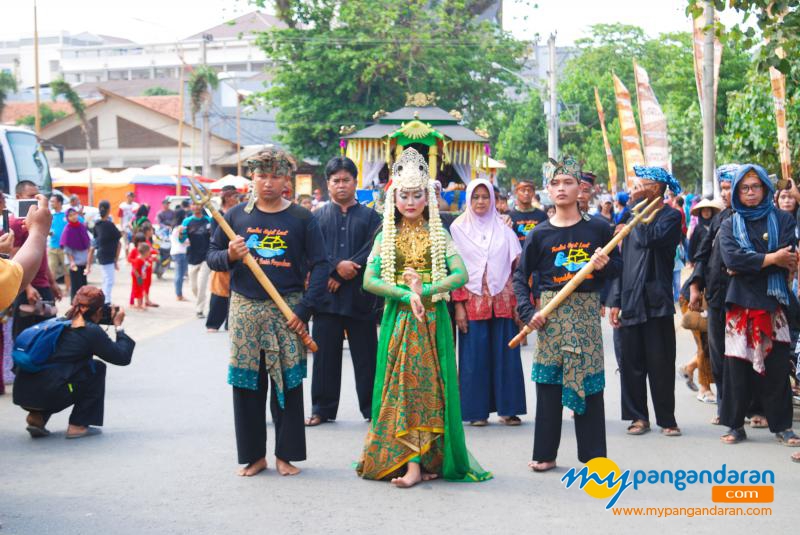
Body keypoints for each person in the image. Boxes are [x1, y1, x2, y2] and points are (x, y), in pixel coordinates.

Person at [355, 147, 491, 487]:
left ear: (427, 198)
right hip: (399, 322)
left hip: (433, 322)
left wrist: (426, 290)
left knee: (432, 389)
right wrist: (405, 294)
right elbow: (369, 281)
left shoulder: (440, 234)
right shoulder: (386, 236)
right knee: (402, 390)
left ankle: (428, 459)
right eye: (405, 195)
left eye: (418, 195)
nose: (411, 201)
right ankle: (410, 463)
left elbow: (460, 275)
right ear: (394, 198)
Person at [207, 147, 329, 478]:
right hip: (245, 310)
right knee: (247, 382)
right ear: (252, 178)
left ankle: (286, 456)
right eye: (262, 176)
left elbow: (321, 265)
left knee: (287, 383)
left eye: (275, 176)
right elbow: (212, 255)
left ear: (286, 180)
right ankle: (253, 456)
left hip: (287, 309)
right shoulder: (235, 217)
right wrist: (230, 254)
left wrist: (305, 309)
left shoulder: (303, 218)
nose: (268, 183)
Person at [513, 157, 621, 472]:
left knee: (590, 382)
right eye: (556, 183)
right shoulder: (539, 234)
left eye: (568, 183)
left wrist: (605, 265)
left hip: (586, 314)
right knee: (547, 383)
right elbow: (521, 278)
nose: (561, 189)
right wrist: (527, 311)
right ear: (548, 190)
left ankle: (593, 455)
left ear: (580, 188)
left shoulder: (599, 229)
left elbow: (618, 270)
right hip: (550, 314)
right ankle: (545, 453)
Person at [716, 164, 800, 449]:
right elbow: (732, 260)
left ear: (765, 188)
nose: (750, 193)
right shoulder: (729, 223)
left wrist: (756, 261)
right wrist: (771, 259)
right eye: (745, 188)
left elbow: (788, 256)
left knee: (777, 367)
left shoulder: (783, 220)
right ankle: (735, 425)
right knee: (736, 367)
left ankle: (783, 427)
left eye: (756, 187)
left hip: (774, 302)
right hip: (740, 303)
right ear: (738, 192)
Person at [608, 165, 683, 437]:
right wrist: (615, 300)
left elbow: (651, 239)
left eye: (641, 185)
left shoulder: (670, 217)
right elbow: (619, 263)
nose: (635, 190)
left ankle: (667, 419)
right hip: (629, 298)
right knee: (631, 362)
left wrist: (631, 222)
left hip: (656, 301)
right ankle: (638, 417)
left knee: (661, 362)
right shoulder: (630, 217)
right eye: (635, 185)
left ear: (656, 190)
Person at [306, 157, 382, 426]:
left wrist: (348, 270)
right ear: (328, 184)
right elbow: (313, 252)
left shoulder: (372, 217)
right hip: (326, 299)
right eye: (335, 180)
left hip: (361, 298)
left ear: (355, 182)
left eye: (346, 180)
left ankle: (373, 409)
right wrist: (336, 267)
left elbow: (375, 249)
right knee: (325, 356)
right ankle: (321, 409)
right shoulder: (315, 218)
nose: (341, 185)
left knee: (367, 358)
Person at [451, 178, 525, 427]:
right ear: (468, 200)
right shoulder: (457, 229)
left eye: (485, 197)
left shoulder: (504, 229)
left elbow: (517, 267)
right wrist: (458, 305)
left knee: (507, 355)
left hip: (503, 299)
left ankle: (509, 409)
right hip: (472, 301)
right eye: (475, 197)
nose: (480, 201)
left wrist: (519, 303)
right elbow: (454, 269)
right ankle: (476, 411)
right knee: (474, 357)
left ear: (493, 200)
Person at [13, 286, 134, 439]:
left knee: (59, 370)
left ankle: (38, 417)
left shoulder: (56, 323)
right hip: (50, 394)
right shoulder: (90, 331)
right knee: (96, 368)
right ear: (98, 312)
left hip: (23, 393)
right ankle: (78, 425)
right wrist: (119, 326)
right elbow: (122, 357)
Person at [688, 165, 739, 426]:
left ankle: (754, 409)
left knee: (746, 356)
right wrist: (695, 287)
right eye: (725, 188)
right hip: (718, 297)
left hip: (745, 298)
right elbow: (702, 254)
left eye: (733, 187)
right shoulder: (719, 219)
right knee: (718, 354)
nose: (728, 193)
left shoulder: (758, 218)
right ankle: (725, 409)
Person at [677, 198, 721, 405]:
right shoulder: (704, 234)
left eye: (708, 210)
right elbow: (695, 257)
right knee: (704, 345)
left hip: (710, 294)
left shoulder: (720, 228)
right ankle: (704, 388)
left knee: (711, 345)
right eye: (702, 210)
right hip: (695, 295)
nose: (705, 213)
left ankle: (689, 368)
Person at [11, 181, 63, 339]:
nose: (35, 201)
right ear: (18, 197)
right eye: (31, 196)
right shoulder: (15, 223)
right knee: (24, 338)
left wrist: (52, 283)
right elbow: (14, 260)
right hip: (25, 287)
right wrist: (28, 287)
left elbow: (41, 255)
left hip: (43, 285)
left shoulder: (38, 221)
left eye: (37, 196)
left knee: (47, 335)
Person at [206, 189, 240, 332]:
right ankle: (213, 324)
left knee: (235, 292)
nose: (237, 198)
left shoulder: (240, 212)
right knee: (219, 292)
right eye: (234, 196)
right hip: (224, 254)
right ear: (226, 198)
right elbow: (216, 238)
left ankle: (230, 322)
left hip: (239, 253)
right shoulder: (217, 215)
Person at [181, 202, 212, 318]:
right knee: (194, 287)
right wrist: (180, 234)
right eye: (193, 204)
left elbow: (214, 237)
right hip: (192, 257)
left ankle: (199, 310)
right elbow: (182, 240)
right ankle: (201, 298)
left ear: (202, 206)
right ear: (190, 207)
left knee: (202, 284)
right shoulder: (186, 221)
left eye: (198, 204)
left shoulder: (209, 220)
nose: (195, 207)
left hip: (206, 257)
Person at [61, 208, 93, 301]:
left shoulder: (82, 226)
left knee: (84, 284)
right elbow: (67, 249)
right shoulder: (67, 229)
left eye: (74, 214)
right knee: (76, 285)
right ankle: (75, 303)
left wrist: (88, 263)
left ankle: (84, 303)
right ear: (67, 218)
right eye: (70, 215)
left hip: (83, 261)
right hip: (74, 263)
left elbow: (88, 243)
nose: (73, 217)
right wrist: (72, 262)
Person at [92, 201, 121, 304]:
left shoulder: (97, 225)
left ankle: (105, 299)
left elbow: (96, 239)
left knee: (106, 278)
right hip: (108, 255)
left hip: (101, 254)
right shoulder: (110, 225)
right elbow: (118, 238)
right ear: (109, 210)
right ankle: (106, 300)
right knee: (109, 280)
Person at [509, 180, 547, 244]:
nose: (526, 193)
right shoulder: (510, 217)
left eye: (529, 190)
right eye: (523, 190)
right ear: (516, 192)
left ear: (533, 193)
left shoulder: (542, 215)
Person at [48, 193, 69, 295]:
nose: (51, 203)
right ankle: (53, 290)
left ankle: (67, 290)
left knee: (67, 270)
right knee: (52, 270)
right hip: (52, 247)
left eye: (53, 201)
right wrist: (49, 232)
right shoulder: (50, 215)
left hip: (65, 248)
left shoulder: (66, 215)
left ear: (59, 203)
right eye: (50, 201)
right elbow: (46, 228)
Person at [170, 220, 189, 301]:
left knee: (178, 274)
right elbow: (183, 241)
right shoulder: (180, 229)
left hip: (175, 252)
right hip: (181, 252)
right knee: (180, 275)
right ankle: (179, 295)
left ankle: (179, 294)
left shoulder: (173, 229)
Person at [129, 242, 151, 310]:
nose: (149, 253)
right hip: (138, 278)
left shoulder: (143, 259)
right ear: (146, 252)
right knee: (138, 291)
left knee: (141, 290)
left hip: (141, 278)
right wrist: (139, 277)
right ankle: (139, 305)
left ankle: (140, 305)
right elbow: (134, 270)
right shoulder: (138, 260)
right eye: (149, 251)